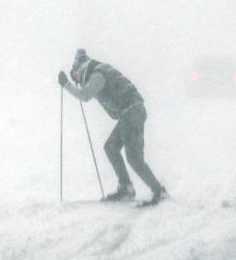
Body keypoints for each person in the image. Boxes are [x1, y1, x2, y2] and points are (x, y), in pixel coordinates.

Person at [58, 49, 167, 204]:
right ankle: (126, 188)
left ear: (81, 67)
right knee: (111, 147)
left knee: (134, 158)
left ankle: (158, 191)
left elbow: (85, 95)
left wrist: (67, 85)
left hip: (131, 112)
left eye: (77, 74)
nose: (79, 79)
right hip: (130, 113)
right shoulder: (99, 70)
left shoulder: (97, 74)